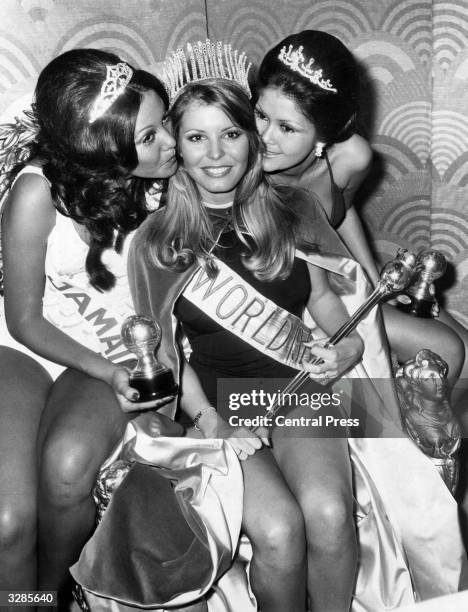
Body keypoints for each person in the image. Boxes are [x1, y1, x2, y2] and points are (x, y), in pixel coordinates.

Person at [127, 40, 408, 612]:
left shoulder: (294, 208)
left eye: (231, 133)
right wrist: (210, 421)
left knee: (329, 515)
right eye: (196, 137)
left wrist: (348, 342)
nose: (215, 154)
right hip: (222, 405)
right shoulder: (155, 243)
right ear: (175, 147)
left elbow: (326, 299)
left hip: (302, 389)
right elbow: (163, 359)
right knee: (279, 532)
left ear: (251, 138)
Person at [0, 47, 177, 607]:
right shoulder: (37, 192)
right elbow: (24, 317)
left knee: (67, 469)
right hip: (33, 346)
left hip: (118, 348)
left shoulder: (179, 182)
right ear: (103, 154)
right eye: (149, 137)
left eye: (163, 121)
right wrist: (106, 369)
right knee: (6, 521)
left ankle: (48, 598)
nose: (170, 143)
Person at [254, 30, 468, 399]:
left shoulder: (352, 156)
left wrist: (374, 281)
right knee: (447, 351)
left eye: (286, 128)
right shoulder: (246, 174)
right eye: (260, 115)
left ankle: (431, 442)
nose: (264, 137)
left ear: (325, 135)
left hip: (346, 275)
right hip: (306, 299)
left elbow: (342, 211)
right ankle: (407, 444)